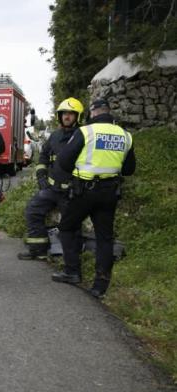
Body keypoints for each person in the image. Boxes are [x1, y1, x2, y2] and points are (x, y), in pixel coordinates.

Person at [51, 99, 136, 298]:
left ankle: (72, 272)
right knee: (104, 238)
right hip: (110, 193)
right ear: (108, 113)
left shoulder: (86, 132)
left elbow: (63, 161)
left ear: (94, 112)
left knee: (67, 227)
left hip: (84, 192)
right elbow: (129, 169)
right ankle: (100, 286)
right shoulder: (125, 135)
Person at [18, 97, 84, 260]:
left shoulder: (83, 136)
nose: (67, 117)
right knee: (33, 210)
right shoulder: (54, 136)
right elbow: (43, 158)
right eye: (64, 114)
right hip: (52, 189)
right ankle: (37, 249)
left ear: (78, 117)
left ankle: (72, 256)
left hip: (71, 191)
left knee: (71, 224)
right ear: (59, 116)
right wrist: (41, 178)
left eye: (71, 114)